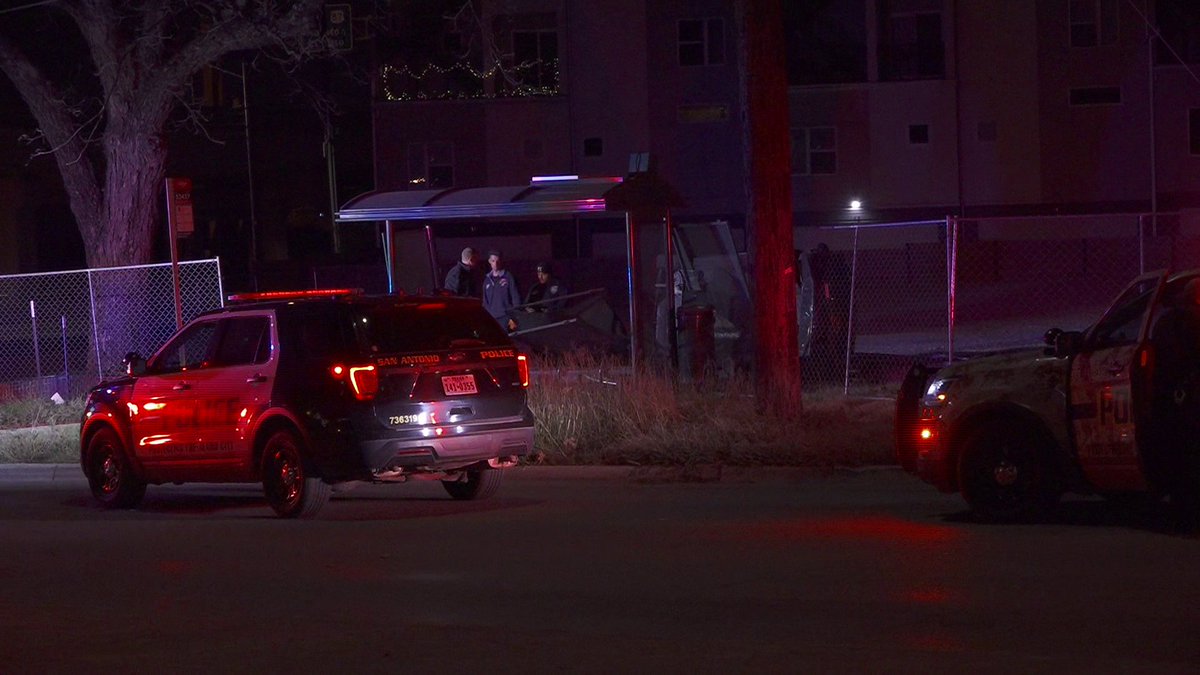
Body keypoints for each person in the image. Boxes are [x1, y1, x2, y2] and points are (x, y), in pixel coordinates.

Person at [482, 249, 521, 331]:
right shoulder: (487, 280)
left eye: (498, 261)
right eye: (493, 261)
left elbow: (515, 297)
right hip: (491, 319)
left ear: (501, 261)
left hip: (505, 317)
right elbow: (485, 302)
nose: (495, 264)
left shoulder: (508, 277)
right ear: (489, 261)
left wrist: (514, 317)